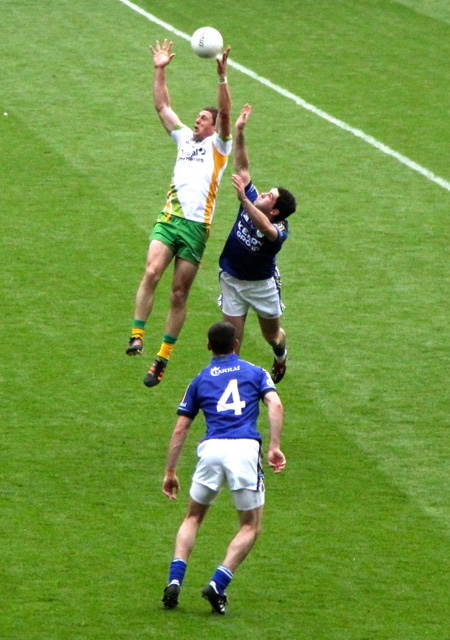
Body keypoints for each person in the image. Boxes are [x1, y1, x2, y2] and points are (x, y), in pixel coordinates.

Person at [126, 39, 232, 388]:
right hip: (170, 218)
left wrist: (222, 79)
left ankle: (161, 360)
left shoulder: (220, 147)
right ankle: (137, 335)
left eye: (203, 118)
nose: (197, 121)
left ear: (214, 128)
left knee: (177, 294)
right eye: (198, 118)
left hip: (196, 228)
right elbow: (162, 106)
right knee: (151, 269)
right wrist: (159, 69)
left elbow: (226, 115)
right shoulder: (184, 138)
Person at [161, 321, 285, 615]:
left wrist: (170, 471)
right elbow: (275, 405)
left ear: (208, 347)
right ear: (237, 344)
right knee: (250, 526)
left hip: (212, 450)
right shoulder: (256, 372)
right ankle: (218, 584)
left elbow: (181, 429)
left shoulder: (200, 380)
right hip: (243, 449)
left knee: (192, 516)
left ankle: (174, 580)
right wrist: (274, 447)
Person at [218, 104, 296, 383]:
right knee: (231, 343)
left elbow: (265, 229)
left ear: (274, 210)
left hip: (262, 286)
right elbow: (243, 166)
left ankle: (280, 355)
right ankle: (233, 390)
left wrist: (244, 201)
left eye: (269, 195)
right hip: (232, 279)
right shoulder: (252, 199)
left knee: (271, 335)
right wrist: (239, 131)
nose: (263, 192)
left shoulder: (278, 228)